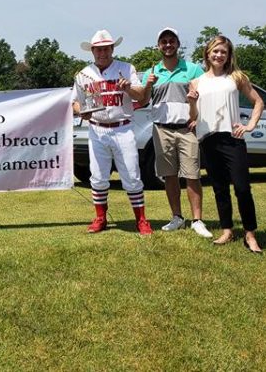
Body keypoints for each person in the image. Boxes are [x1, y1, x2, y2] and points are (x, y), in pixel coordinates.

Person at [187, 35, 264, 253]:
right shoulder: (197, 82)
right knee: (220, 188)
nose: (219, 55)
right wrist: (191, 103)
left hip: (233, 139)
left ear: (229, 55)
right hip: (208, 139)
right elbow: (193, 116)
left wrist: (249, 125)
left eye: (224, 52)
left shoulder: (236, 77)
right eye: (215, 51)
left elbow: (258, 101)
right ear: (207, 54)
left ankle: (250, 234)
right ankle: (227, 230)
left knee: (242, 187)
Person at [73, 29, 152, 235]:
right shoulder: (83, 74)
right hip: (97, 129)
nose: (102, 53)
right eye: (98, 50)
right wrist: (82, 113)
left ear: (112, 49)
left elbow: (141, 96)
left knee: (132, 175)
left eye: (106, 49)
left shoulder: (126, 68)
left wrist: (128, 89)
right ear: (92, 51)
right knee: (98, 176)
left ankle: (141, 220)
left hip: (122, 127)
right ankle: (100, 218)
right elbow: (75, 102)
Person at [141, 27, 212, 238]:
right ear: (159, 46)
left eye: (172, 41)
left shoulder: (193, 70)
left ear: (178, 44)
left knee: (192, 174)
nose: (168, 44)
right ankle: (177, 217)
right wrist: (148, 85)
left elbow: (206, 96)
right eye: (164, 41)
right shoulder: (152, 72)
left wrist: (198, 118)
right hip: (162, 129)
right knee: (169, 175)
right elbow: (143, 100)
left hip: (186, 129)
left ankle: (197, 220)